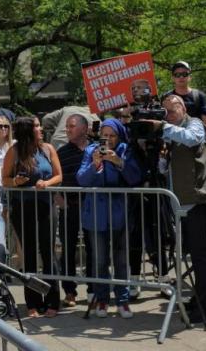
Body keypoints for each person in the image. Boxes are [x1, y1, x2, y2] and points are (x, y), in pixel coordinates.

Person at [149, 94, 206, 323]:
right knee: (192, 255)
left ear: (182, 108)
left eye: (170, 111)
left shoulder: (195, 124)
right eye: (165, 113)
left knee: (200, 257)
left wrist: (163, 127)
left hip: (198, 200)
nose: (167, 116)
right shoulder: (170, 132)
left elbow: (192, 139)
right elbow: (166, 169)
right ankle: (199, 299)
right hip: (182, 202)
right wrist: (161, 158)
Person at [76, 118, 143, 319]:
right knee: (99, 259)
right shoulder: (91, 151)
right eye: (105, 135)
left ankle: (122, 301)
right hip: (96, 214)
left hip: (119, 213)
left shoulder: (125, 149)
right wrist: (95, 165)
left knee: (121, 259)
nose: (108, 139)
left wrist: (118, 162)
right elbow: (81, 179)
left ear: (119, 135)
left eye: (112, 135)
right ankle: (102, 299)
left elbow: (135, 177)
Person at [2, 116, 62, 318]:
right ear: (28, 131)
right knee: (28, 254)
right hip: (23, 207)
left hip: (46, 206)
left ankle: (53, 300)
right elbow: (5, 179)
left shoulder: (48, 149)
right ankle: (32, 303)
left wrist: (47, 183)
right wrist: (16, 181)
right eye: (36, 126)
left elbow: (58, 175)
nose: (41, 129)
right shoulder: (14, 151)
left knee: (48, 252)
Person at [54, 114, 93, 307]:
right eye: (67, 127)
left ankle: (94, 291)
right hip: (70, 207)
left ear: (84, 129)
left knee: (93, 248)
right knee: (67, 250)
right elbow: (55, 177)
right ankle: (69, 292)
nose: (68, 130)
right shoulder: (61, 152)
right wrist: (58, 197)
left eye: (72, 126)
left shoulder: (96, 148)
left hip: (92, 207)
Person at [162, 61, 206, 136]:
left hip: (196, 142)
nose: (181, 77)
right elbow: (163, 121)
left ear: (190, 77)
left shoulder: (199, 96)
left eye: (184, 74)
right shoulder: (166, 97)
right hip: (173, 142)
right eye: (177, 75)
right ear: (173, 78)